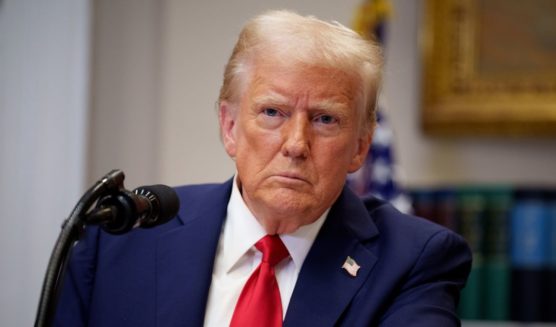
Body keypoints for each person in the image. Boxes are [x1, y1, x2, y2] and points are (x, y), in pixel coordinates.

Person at [54, 10, 471, 326]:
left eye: (325, 119)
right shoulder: (120, 238)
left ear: (361, 146)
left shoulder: (415, 261)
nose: (295, 144)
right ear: (230, 126)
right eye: (272, 112)